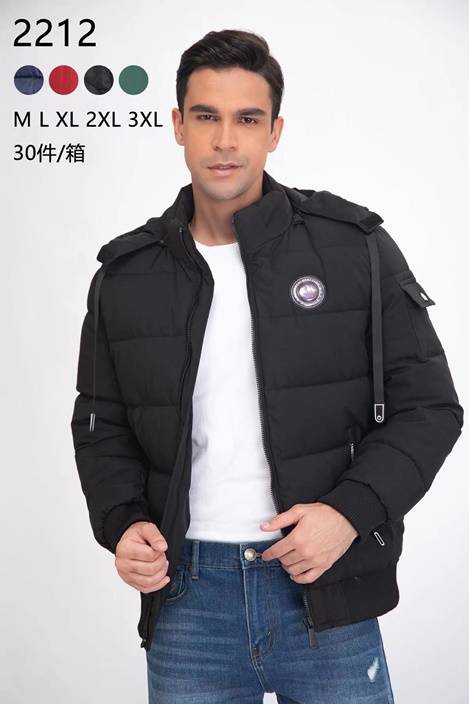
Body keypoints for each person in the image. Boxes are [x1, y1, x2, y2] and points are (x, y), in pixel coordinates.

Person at [71, 28, 464, 703]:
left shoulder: (354, 249)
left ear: (275, 132)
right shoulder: (125, 275)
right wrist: (121, 520)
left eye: (247, 119)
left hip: (326, 592)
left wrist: (347, 514)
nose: (225, 140)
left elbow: (430, 408)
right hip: (186, 599)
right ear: (177, 125)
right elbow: (100, 424)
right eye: (206, 117)